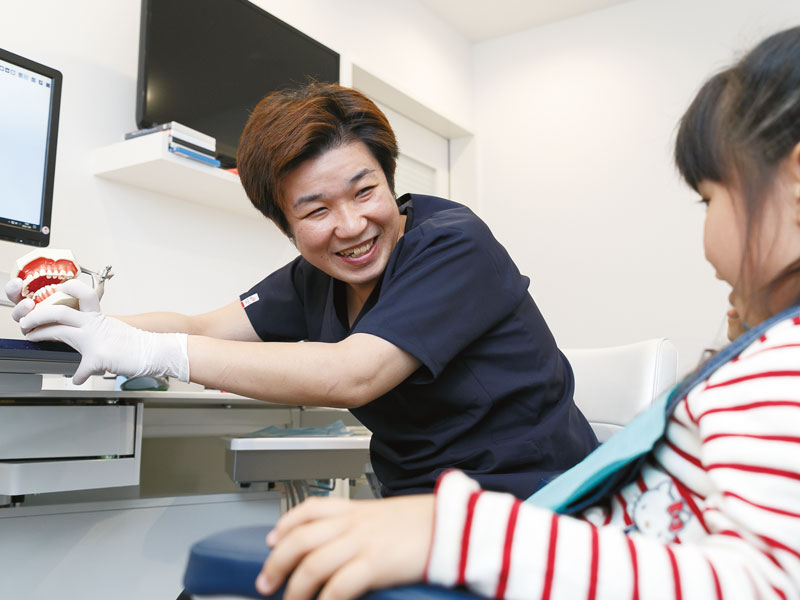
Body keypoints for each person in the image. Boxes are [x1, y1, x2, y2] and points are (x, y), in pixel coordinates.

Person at [252, 26, 800, 600]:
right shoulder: (771, 355)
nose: (350, 224)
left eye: (710, 199)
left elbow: (762, 583)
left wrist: (460, 534)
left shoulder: (451, 240)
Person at [5, 83, 598, 499]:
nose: (349, 225)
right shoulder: (321, 277)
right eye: (315, 211)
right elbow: (206, 326)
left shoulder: (453, 244)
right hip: (423, 508)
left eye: (364, 192)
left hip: (533, 502)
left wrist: (146, 351)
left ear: (390, 182)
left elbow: (349, 374)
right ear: (285, 226)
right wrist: (88, 321)